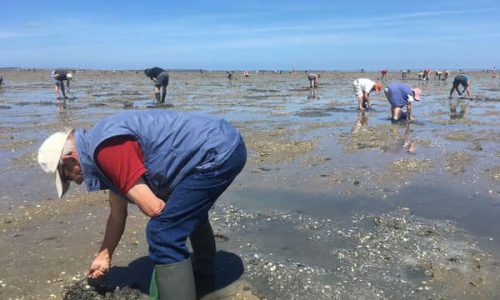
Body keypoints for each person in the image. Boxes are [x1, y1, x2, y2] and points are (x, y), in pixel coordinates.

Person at [37, 110, 247, 299]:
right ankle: (203, 276)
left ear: (70, 158)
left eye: (67, 177)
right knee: (182, 212)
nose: (77, 181)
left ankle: (196, 279)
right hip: (221, 142)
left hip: (217, 152)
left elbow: (154, 208)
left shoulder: (107, 151)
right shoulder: (98, 146)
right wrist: (104, 254)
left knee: (163, 233)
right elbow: (117, 215)